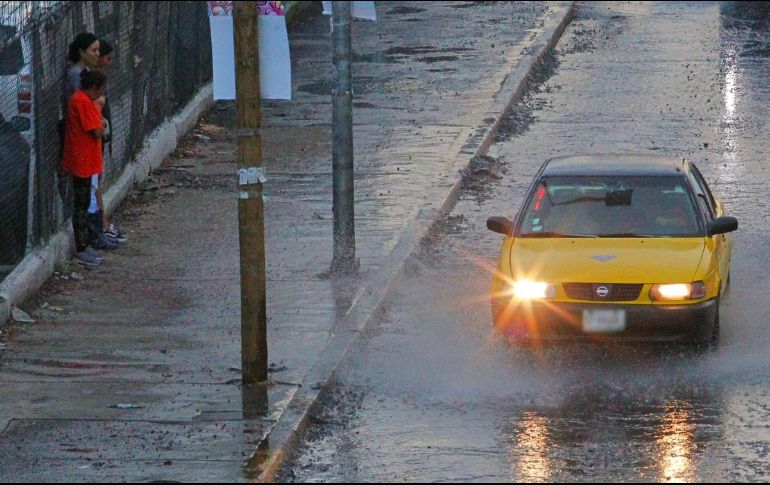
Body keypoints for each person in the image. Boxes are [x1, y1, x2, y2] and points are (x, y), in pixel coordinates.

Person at [61, 69, 109, 267]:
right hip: (82, 161)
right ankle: (82, 248)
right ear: (94, 87)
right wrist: (101, 117)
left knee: (83, 204)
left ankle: (85, 245)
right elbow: (97, 131)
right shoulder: (83, 101)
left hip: (85, 160)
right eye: (99, 90)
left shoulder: (82, 100)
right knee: (81, 206)